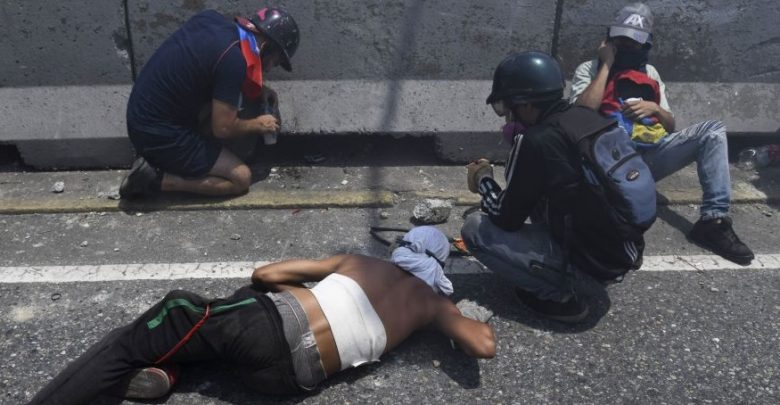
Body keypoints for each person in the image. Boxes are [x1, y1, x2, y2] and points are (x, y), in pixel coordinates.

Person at [28, 227, 495, 404]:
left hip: (265, 330)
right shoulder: (434, 306)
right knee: (225, 336)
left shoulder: (362, 263)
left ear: (403, 250)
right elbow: (483, 346)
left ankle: (135, 364)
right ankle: (168, 373)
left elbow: (265, 274)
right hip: (287, 382)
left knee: (175, 314)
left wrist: (304, 289)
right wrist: (466, 319)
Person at [461, 51, 650, 323]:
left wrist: (484, 180)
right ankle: (574, 271)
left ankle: (558, 294)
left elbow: (505, 218)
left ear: (527, 105)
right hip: (620, 253)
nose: (508, 117)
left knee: (475, 229)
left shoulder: (537, 140)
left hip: (590, 266)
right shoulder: (589, 118)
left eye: (508, 107)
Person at [569, 2, 754, 265]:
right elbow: (580, 115)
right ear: (609, 39)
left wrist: (654, 108)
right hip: (605, 164)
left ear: (645, 45)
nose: (625, 46)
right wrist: (606, 64)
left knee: (713, 131)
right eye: (620, 40)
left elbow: (670, 126)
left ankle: (713, 221)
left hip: (646, 159)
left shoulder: (650, 73)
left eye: (633, 43)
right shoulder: (589, 69)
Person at [119, 7, 300, 199]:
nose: (269, 68)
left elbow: (213, 68)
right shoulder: (234, 62)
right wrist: (258, 124)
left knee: (231, 102)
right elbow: (223, 128)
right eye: (274, 61)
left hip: (143, 116)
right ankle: (155, 179)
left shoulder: (211, 21)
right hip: (158, 135)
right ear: (266, 47)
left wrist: (259, 88)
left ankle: (166, 160)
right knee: (241, 178)